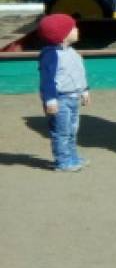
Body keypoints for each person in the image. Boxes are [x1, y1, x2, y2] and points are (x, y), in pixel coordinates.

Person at [38, 14, 88, 172]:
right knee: (61, 132)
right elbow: (47, 79)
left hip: (73, 97)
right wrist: (50, 100)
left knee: (72, 130)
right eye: (73, 28)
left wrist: (84, 90)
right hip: (60, 99)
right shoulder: (51, 54)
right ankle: (63, 161)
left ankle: (72, 157)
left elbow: (78, 73)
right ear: (62, 34)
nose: (77, 30)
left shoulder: (72, 52)